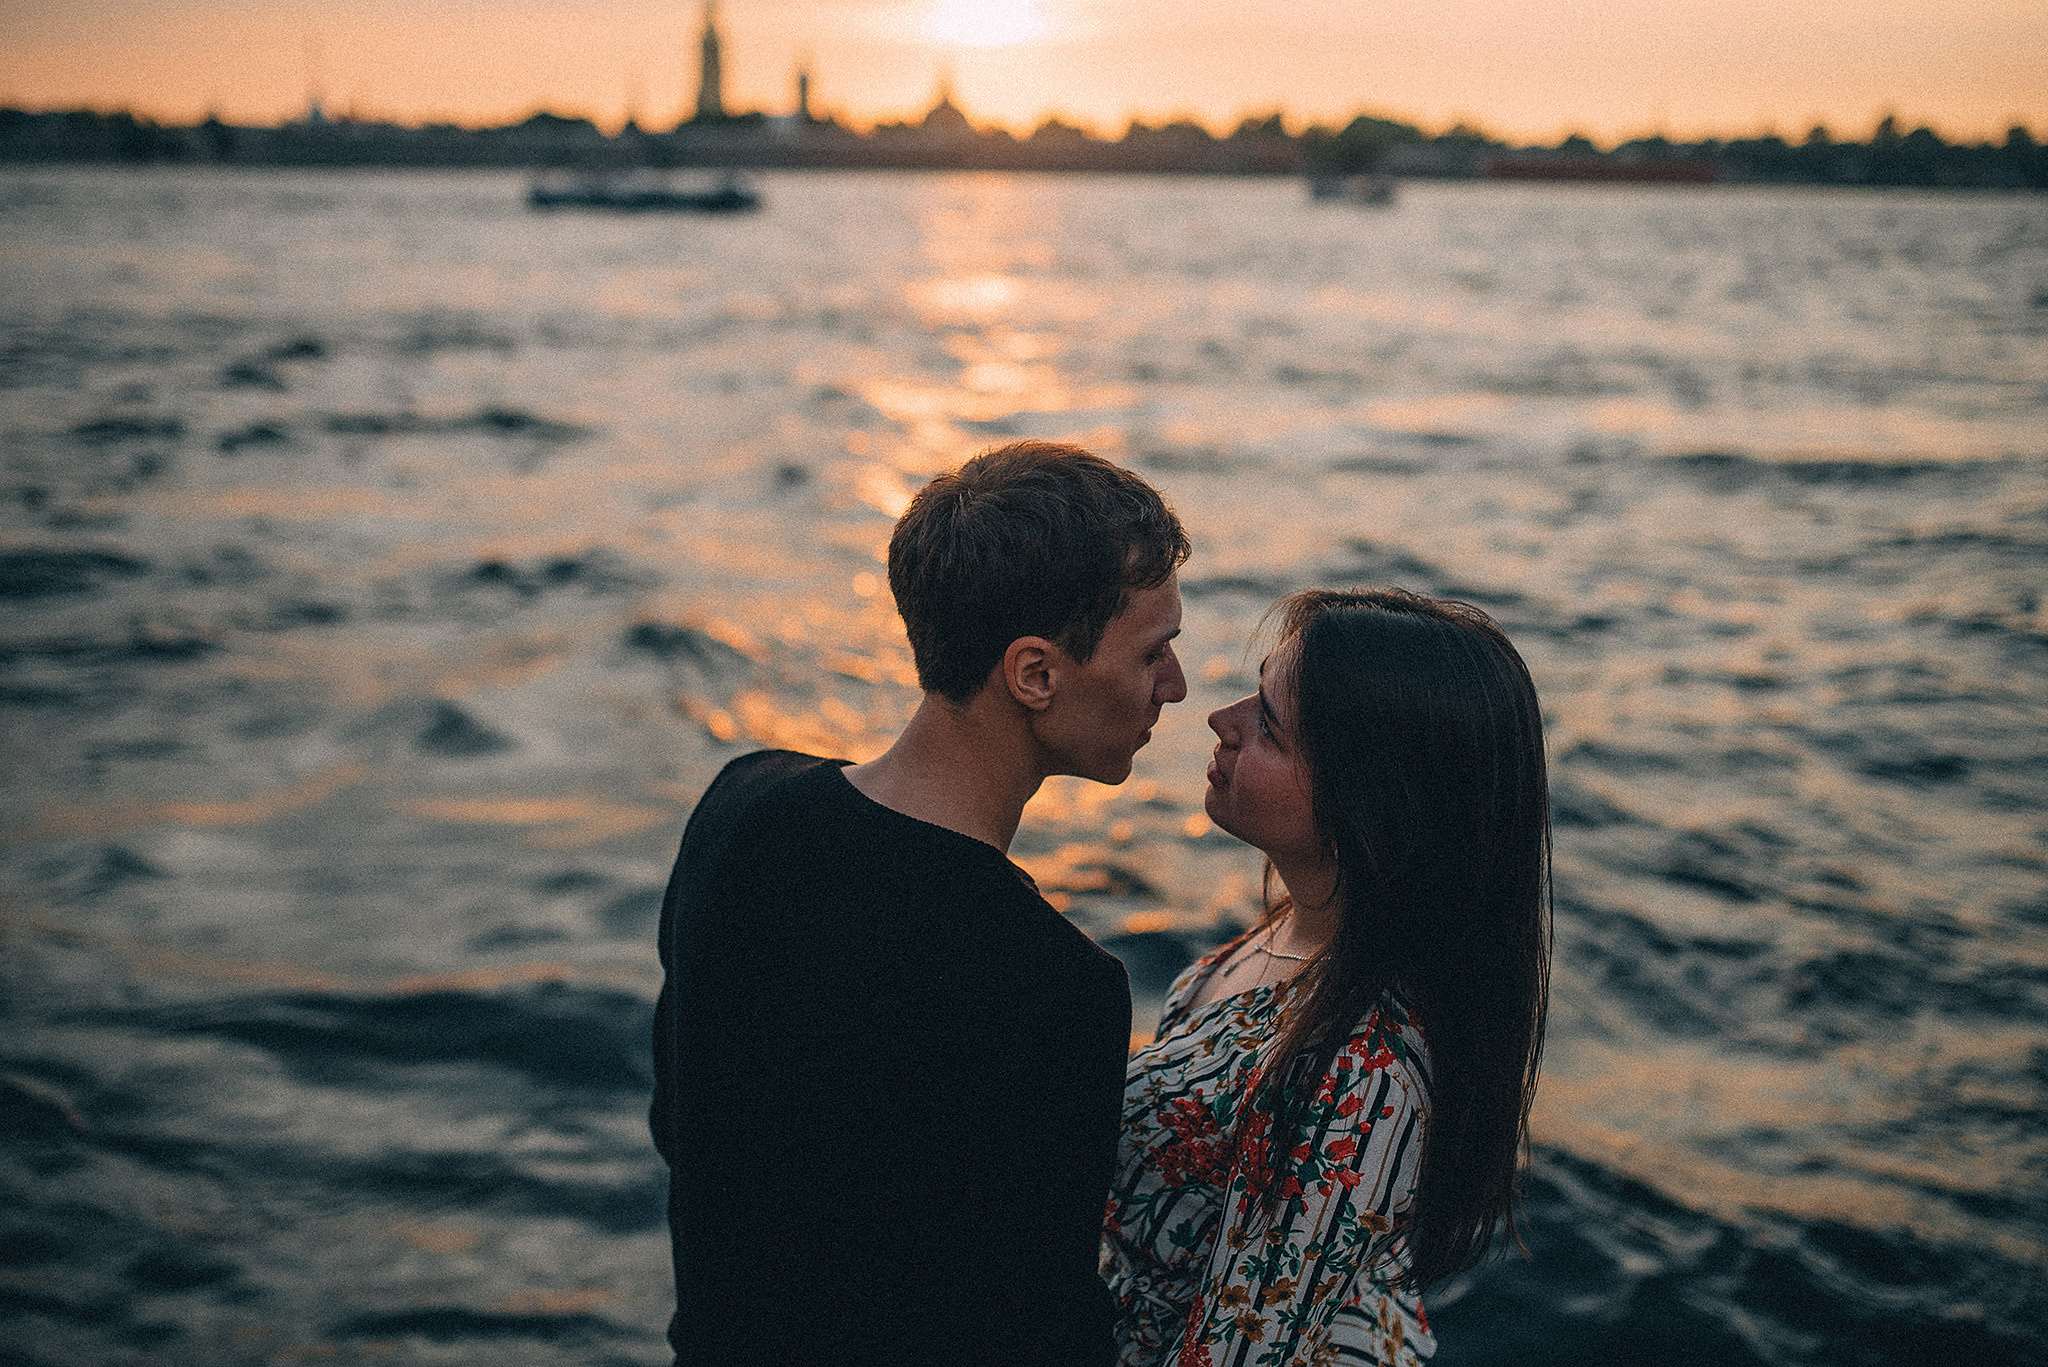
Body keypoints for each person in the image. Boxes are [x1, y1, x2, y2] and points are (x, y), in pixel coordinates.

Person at [651, 440, 1191, 1367]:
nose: (1175, 686)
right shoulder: (1053, 984)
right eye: (1154, 651)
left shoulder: (741, 806)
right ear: (1035, 674)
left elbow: (683, 1123)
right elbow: (1036, 1327)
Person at [1101, 588, 1551, 1367]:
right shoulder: (1295, 935)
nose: (1222, 720)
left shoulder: (1365, 1075)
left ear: (1367, 804)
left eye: (1269, 725)